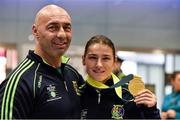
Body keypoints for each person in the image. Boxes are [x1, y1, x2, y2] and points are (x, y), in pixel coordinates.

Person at [0, 4, 84, 119]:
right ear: (35, 31)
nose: (61, 34)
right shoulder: (20, 82)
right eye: (52, 27)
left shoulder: (73, 74)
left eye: (67, 27)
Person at [80, 35, 160, 119]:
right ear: (83, 60)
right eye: (93, 57)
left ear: (114, 61)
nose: (99, 64)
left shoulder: (130, 95)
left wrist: (151, 111)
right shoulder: (76, 93)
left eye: (106, 58)